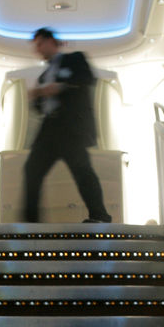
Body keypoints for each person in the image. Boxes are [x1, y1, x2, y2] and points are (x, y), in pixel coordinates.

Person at [24, 27, 112, 223]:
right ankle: (30, 224)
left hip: (70, 129)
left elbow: (87, 78)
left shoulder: (75, 59)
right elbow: (41, 107)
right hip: (48, 129)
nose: (37, 49)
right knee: (32, 169)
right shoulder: (42, 76)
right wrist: (36, 97)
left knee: (82, 171)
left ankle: (100, 216)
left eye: (39, 44)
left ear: (51, 41)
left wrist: (59, 87)